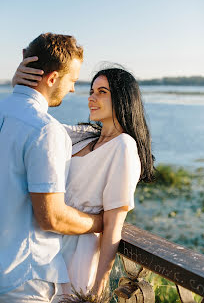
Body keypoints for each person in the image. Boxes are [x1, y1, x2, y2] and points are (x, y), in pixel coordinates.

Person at [12, 60, 155, 299]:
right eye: (91, 91)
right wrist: (21, 86)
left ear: (123, 98)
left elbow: (113, 223)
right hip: (47, 245)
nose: (91, 98)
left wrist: (100, 284)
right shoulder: (84, 135)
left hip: (79, 252)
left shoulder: (124, 146)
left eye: (102, 92)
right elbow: (35, 122)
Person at [0, 33, 103, 302]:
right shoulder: (46, 130)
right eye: (72, 80)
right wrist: (100, 222)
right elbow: (52, 217)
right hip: (23, 280)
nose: (72, 89)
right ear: (53, 78)